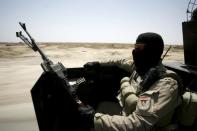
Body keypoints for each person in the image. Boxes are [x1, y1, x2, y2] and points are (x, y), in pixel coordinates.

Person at [78, 32, 182, 131]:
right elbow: (120, 61)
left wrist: (93, 120)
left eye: (139, 48)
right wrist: (98, 63)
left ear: (152, 51)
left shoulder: (165, 83)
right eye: (134, 47)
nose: (134, 51)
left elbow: (138, 124)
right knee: (99, 104)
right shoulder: (141, 67)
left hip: (144, 126)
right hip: (127, 111)